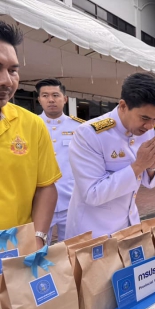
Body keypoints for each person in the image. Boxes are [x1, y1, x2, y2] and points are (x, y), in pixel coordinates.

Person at [65, 72, 155, 238]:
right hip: (94, 231)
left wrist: (152, 165)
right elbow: (92, 194)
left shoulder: (145, 131)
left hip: (129, 225)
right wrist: (138, 165)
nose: (151, 126)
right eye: (145, 117)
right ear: (123, 106)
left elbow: (149, 182)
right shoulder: (89, 134)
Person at [0, 21, 61, 248]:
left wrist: (38, 239)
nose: (6, 80)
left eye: (13, 70)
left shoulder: (32, 124)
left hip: (16, 252)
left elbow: (45, 186)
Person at [36, 78, 84, 244]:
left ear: (65, 99)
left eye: (56, 95)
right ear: (39, 99)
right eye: (45, 95)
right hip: (38, 201)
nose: (51, 100)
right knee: (38, 251)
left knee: (71, 248)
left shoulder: (79, 128)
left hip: (70, 200)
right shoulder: (30, 125)